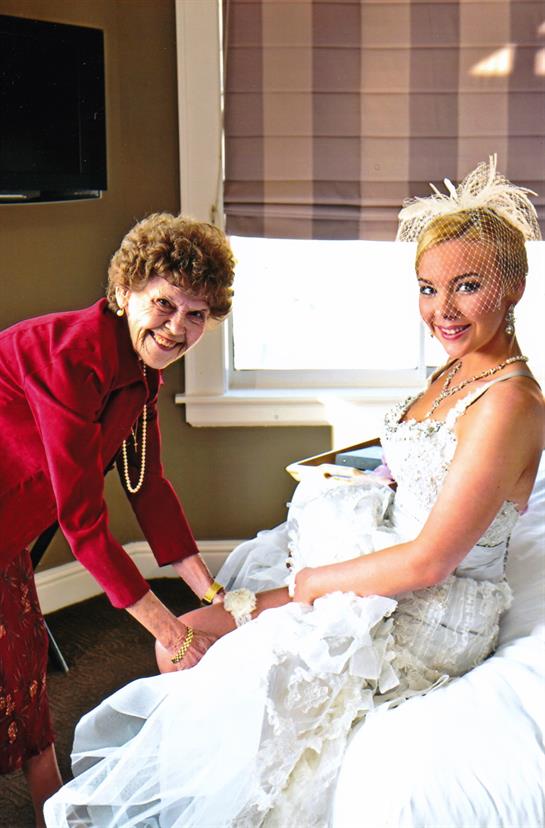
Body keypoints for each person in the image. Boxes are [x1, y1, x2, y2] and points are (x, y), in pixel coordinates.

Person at [44, 158, 544, 828]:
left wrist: (310, 583)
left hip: (426, 608)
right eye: (427, 289)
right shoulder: (454, 369)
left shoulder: (508, 401)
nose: (441, 310)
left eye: (466, 286)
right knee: (181, 641)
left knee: (207, 660)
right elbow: (421, 471)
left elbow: (430, 562)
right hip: (379, 568)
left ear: (511, 289)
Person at [0, 213, 234, 826]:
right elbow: (83, 522)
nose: (178, 327)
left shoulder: (139, 372)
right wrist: (171, 633)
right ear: (126, 291)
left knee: (23, 662)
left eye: (197, 315)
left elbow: (146, 486)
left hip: (10, 532)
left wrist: (215, 595)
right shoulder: (70, 356)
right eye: (164, 304)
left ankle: (50, 801)